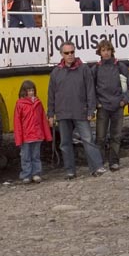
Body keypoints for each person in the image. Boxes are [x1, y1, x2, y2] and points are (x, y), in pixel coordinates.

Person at [47, 41, 106, 179]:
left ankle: (97, 167)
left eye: (72, 52)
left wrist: (91, 109)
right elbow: (51, 95)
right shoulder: (56, 72)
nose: (70, 55)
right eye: (67, 53)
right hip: (63, 113)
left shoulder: (84, 69)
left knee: (88, 140)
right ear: (61, 54)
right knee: (65, 143)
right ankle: (70, 171)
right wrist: (50, 114)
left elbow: (90, 90)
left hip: (81, 111)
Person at [92, 40, 129, 171]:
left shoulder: (120, 66)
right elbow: (90, 89)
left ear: (112, 51)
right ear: (99, 52)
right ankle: (99, 163)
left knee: (116, 136)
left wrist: (125, 100)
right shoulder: (96, 69)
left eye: (108, 50)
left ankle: (114, 162)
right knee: (100, 137)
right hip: (103, 108)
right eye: (103, 50)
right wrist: (97, 103)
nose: (106, 53)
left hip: (118, 107)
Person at [14, 80, 52, 184]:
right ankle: (26, 174)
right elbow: (17, 123)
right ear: (24, 92)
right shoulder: (20, 104)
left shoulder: (38, 103)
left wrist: (47, 134)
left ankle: (36, 173)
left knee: (35, 156)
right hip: (26, 137)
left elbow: (43, 119)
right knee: (26, 156)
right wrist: (18, 138)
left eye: (32, 90)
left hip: (37, 135)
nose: (31, 93)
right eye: (28, 91)